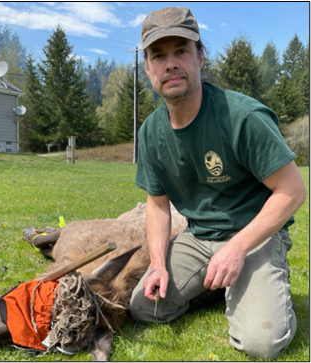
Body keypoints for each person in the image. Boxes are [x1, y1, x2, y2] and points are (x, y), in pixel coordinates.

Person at [130, 6, 306, 359]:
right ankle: (216, 285)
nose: (171, 64)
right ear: (148, 68)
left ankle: (260, 284)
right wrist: (160, 265)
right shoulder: (150, 132)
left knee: (262, 344)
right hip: (199, 237)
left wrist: (238, 249)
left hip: (253, 236)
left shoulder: (243, 117)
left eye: (181, 50)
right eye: (159, 56)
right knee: (145, 308)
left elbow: (293, 190)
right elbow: (157, 204)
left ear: (200, 57)